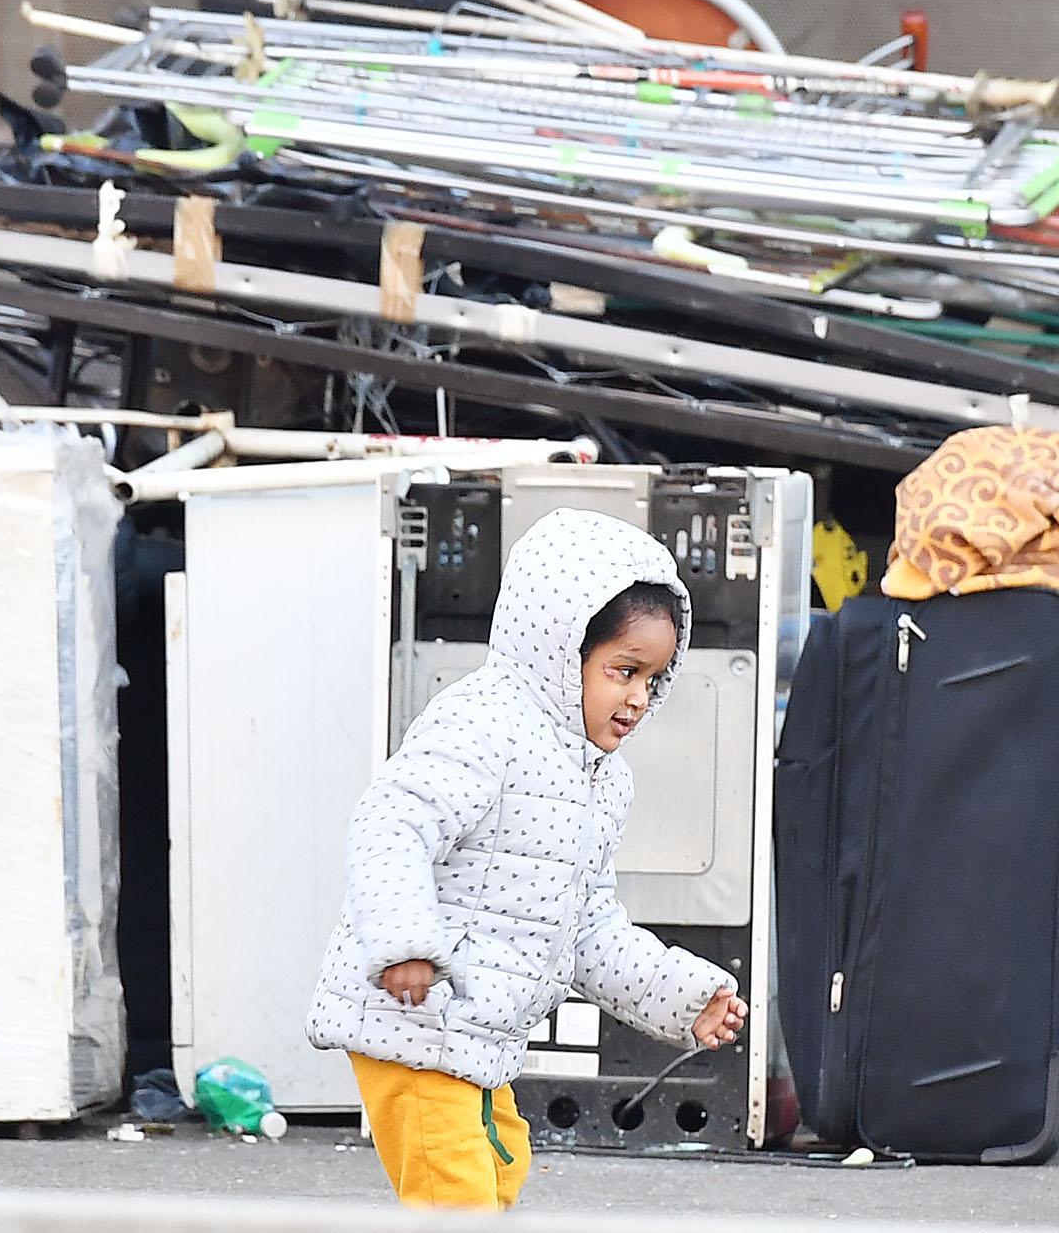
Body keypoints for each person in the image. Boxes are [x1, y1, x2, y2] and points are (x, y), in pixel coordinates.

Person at [306, 508, 748, 1211]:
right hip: (415, 1021)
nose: (638, 697)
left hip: (478, 1041)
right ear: (557, 645)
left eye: (654, 678)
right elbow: (392, 822)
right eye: (623, 670)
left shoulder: (602, 778)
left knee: (499, 1180)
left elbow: (589, 929)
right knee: (457, 1198)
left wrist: (682, 997)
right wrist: (405, 942)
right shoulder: (483, 724)